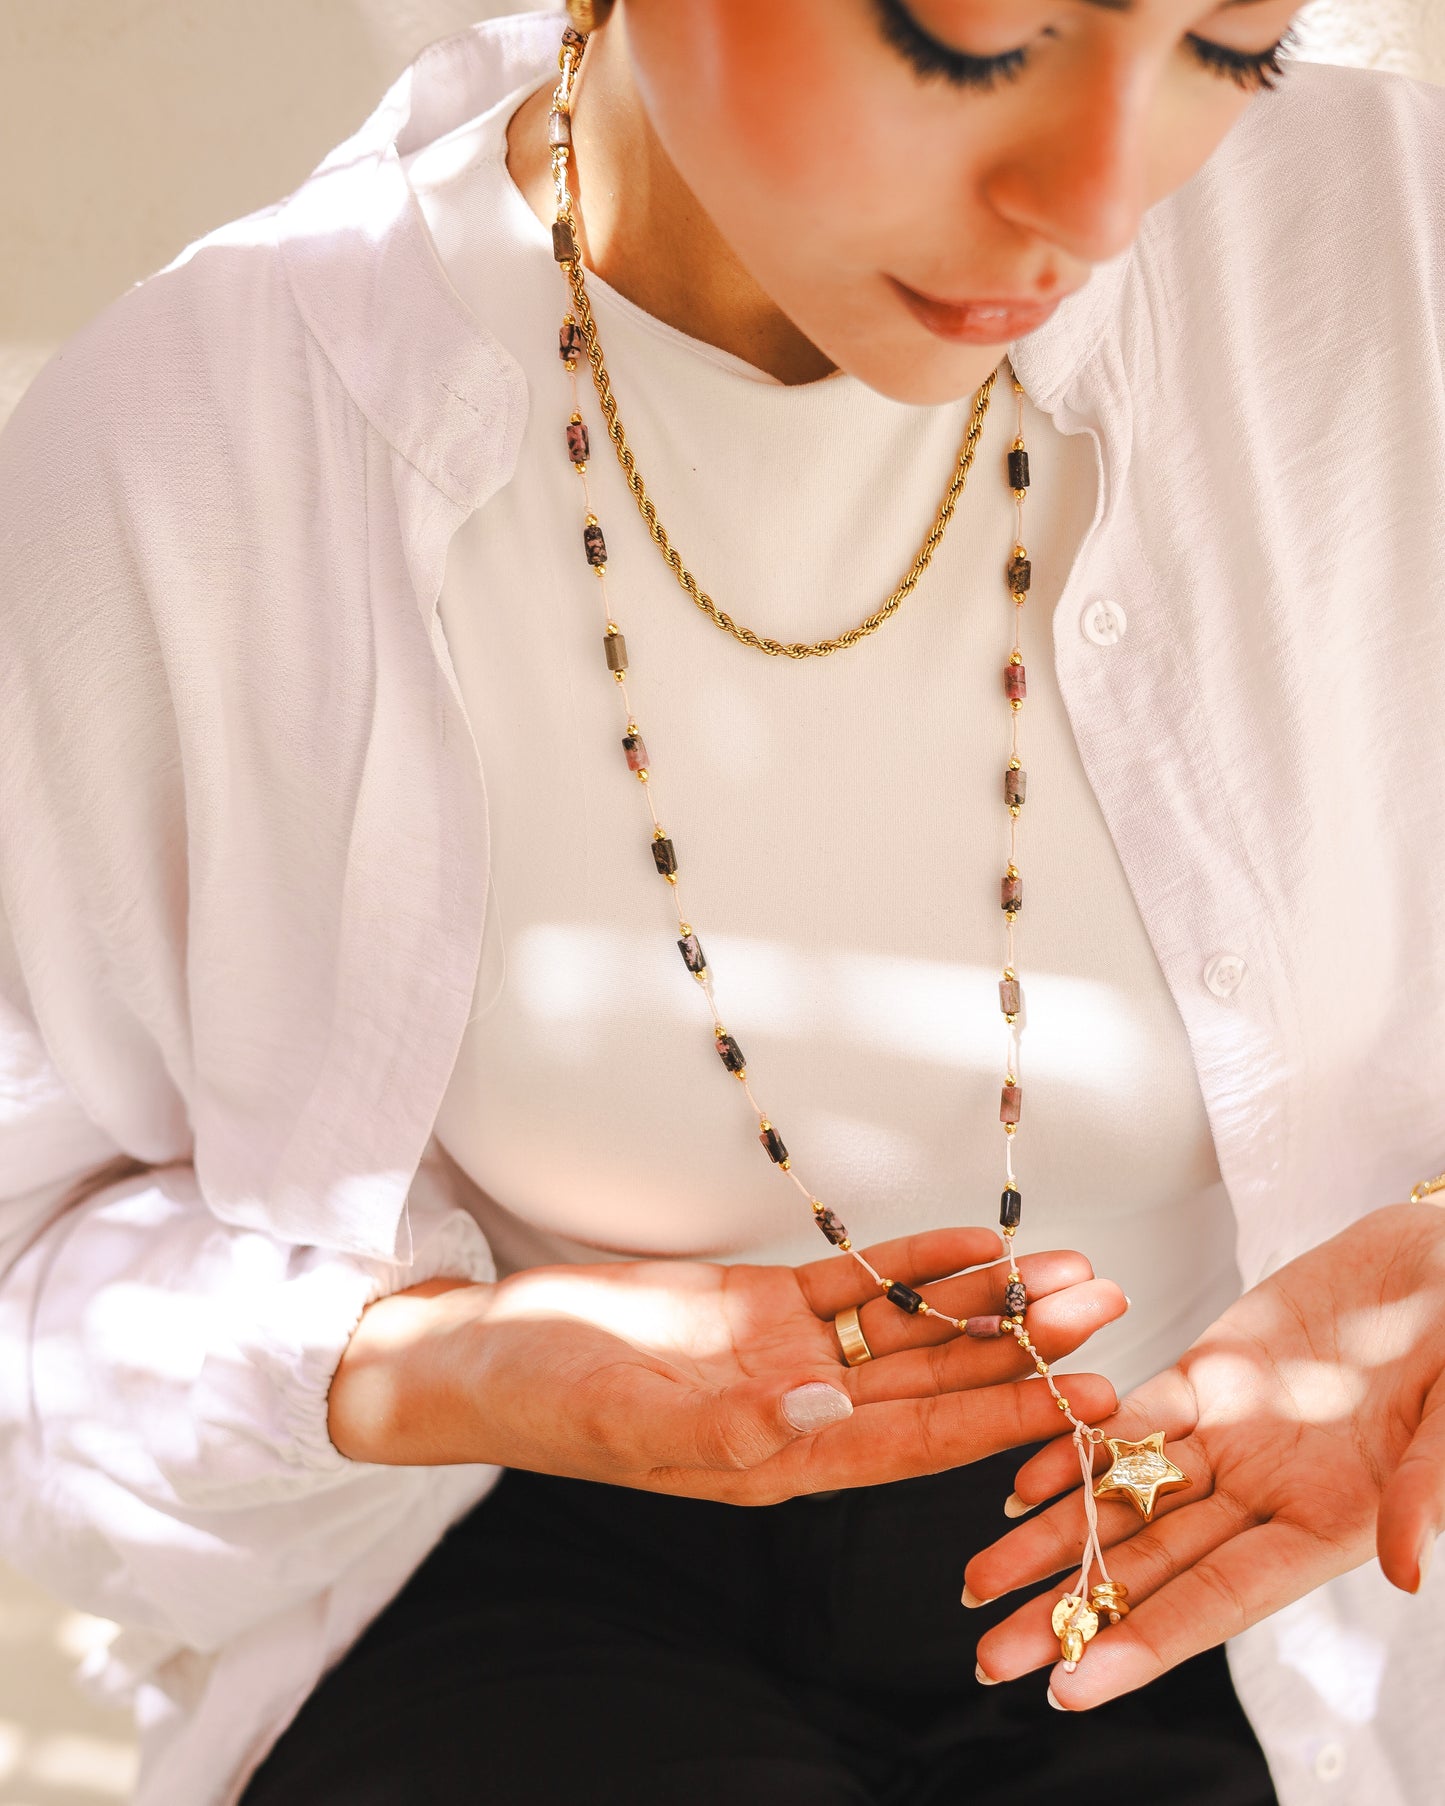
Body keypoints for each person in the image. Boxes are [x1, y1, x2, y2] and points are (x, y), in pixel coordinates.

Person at [1, 2, 1443, 1802]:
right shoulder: (202, 455)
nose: (1091, 201)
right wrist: (437, 1366)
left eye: (1229, 46)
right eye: (972, 38)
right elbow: (27, 1272)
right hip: (530, 1568)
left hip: (1263, 1570)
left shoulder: (1391, 268)